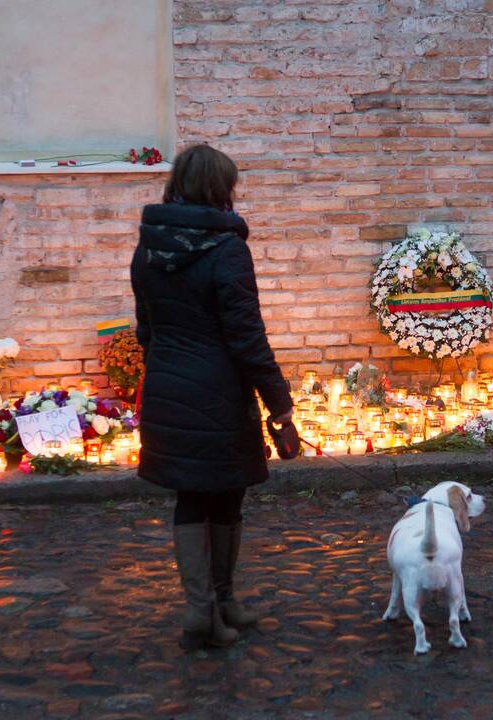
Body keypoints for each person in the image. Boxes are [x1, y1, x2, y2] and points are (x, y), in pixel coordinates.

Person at [131, 144, 294, 649]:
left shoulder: (149, 248)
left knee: (192, 496)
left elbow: (145, 331)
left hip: (168, 385)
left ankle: (212, 607)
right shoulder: (227, 250)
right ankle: (214, 604)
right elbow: (247, 336)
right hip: (219, 393)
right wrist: (280, 403)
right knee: (225, 495)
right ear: (218, 189)